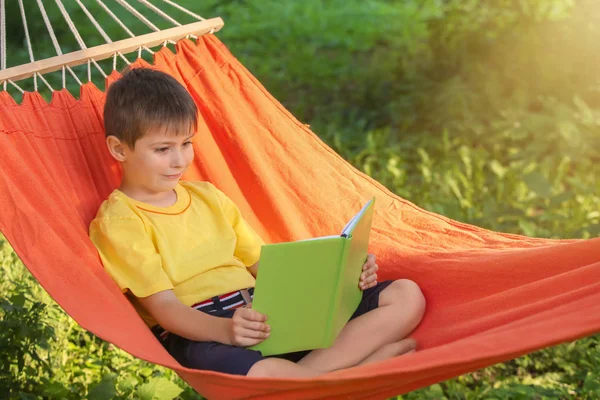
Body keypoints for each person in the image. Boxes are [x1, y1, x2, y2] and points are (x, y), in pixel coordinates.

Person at [89, 67, 426, 378]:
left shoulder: (208, 197)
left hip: (262, 308)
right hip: (202, 330)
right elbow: (164, 308)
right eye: (163, 149)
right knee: (262, 377)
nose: (180, 160)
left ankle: (312, 377)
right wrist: (225, 330)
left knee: (406, 295)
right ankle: (353, 370)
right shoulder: (121, 221)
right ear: (119, 149)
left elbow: (263, 266)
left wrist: (344, 276)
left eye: (186, 144)